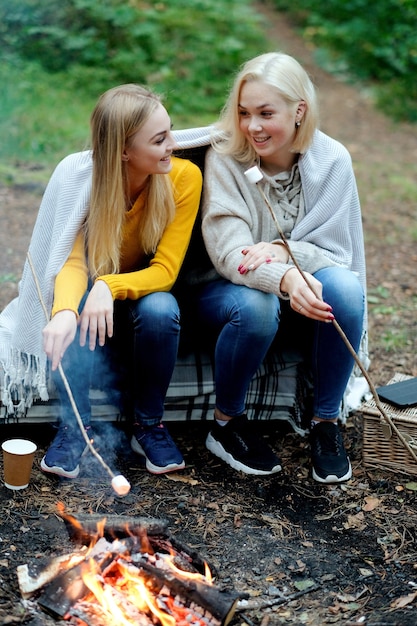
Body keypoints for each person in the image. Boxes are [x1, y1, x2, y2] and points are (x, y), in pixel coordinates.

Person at [0, 84, 202, 478]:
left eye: (170, 132)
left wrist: (109, 286)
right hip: (89, 306)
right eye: (159, 139)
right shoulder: (84, 182)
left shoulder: (184, 178)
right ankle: (76, 428)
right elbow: (72, 262)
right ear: (124, 151)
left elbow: (166, 271)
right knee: (68, 309)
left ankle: (147, 425)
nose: (172, 146)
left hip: (142, 298)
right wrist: (62, 313)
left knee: (163, 308)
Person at [197, 52, 367, 483]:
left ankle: (325, 424)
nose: (252, 126)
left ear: (299, 111)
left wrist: (281, 250)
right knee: (257, 305)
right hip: (225, 290)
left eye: (266, 114)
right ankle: (226, 424)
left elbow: (335, 251)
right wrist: (288, 275)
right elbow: (230, 253)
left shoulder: (332, 161)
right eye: (243, 113)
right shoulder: (226, 158)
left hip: (302, 289)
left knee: (345, 289)